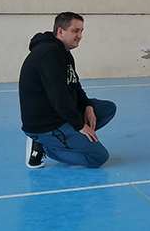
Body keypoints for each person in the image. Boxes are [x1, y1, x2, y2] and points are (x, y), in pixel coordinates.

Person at [19, 12, 117, 168]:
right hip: (46, 123)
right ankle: (43, 145)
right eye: (75, 31)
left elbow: (74, 85)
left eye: (81, 31)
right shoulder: (48, 54)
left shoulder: (64, 53)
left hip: (59, 113)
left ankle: (69, 138)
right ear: (60, 32)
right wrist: (79, 125)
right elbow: (59, 97)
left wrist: (88, 106)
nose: (80, 36)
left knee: (106, 109)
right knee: (98, 157)